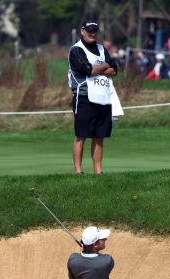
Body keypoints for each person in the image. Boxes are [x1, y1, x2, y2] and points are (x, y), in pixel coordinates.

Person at [68, 20, 118, 175]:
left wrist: (99, 69)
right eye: (89, 30)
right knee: (81, 135)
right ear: (82, 31)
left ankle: (98, 171)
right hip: (84, 96)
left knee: (99, 135)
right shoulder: (76, 50)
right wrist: (103, 67)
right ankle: (78, 171)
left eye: (95, 30)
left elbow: (114, 69)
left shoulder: (102, 49)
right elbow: (86, 69)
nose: (93, 33)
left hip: (103, 97)